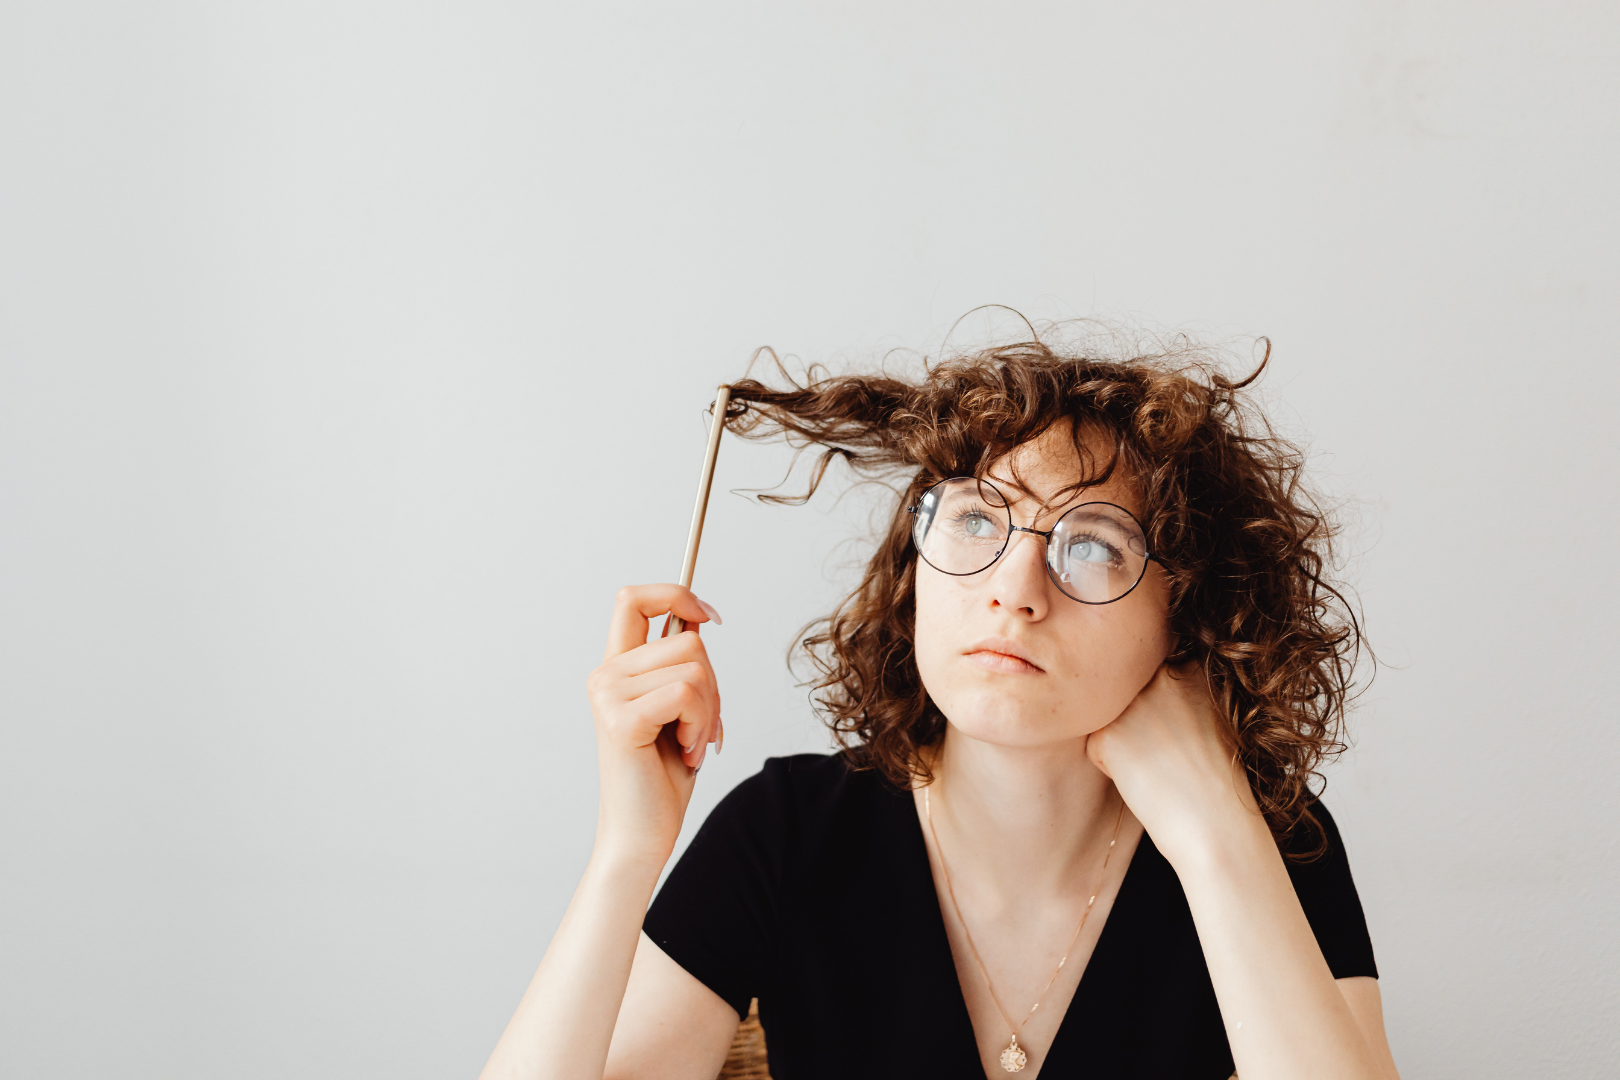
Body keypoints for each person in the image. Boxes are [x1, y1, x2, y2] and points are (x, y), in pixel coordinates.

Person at [479, 335, 1402, 1080]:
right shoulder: (789, 830)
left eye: (1093, 546)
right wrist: (627, 851)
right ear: (915, 567)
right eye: (975, 519)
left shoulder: (1273, 839)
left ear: (1188, 616)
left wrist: (1215, 835)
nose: (1015, 589)